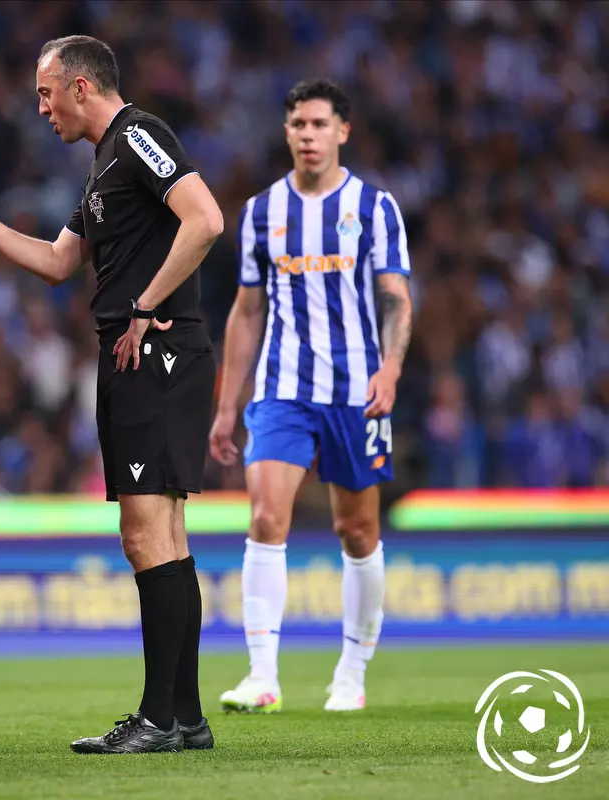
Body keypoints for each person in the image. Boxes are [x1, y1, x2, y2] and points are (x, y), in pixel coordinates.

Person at [0, 36, 224, 754]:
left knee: (146, 535)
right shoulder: (104, 164)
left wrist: (148, 305)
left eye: (46, 92)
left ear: (82, 86)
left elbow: (205, 218)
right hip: (141, 353)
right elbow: (59, 262)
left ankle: (157, 719)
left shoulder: (140, 136)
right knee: (167, 539)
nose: (40, 106)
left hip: (156, 350)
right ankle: (183, 719)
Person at [210, 79, 413, 713]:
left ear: (342, 132)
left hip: (357, 391)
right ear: (286, 131)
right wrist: (225, 406)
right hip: (282, 390)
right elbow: (246, 312)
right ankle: (262, 676)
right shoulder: (261, 212)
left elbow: (396, 299)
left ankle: (351, 672)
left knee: (356, 530)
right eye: (298, 123)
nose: (307, 134)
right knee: (267, 518)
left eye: (320, 124)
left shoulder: (375, 208)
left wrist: (392, 368)